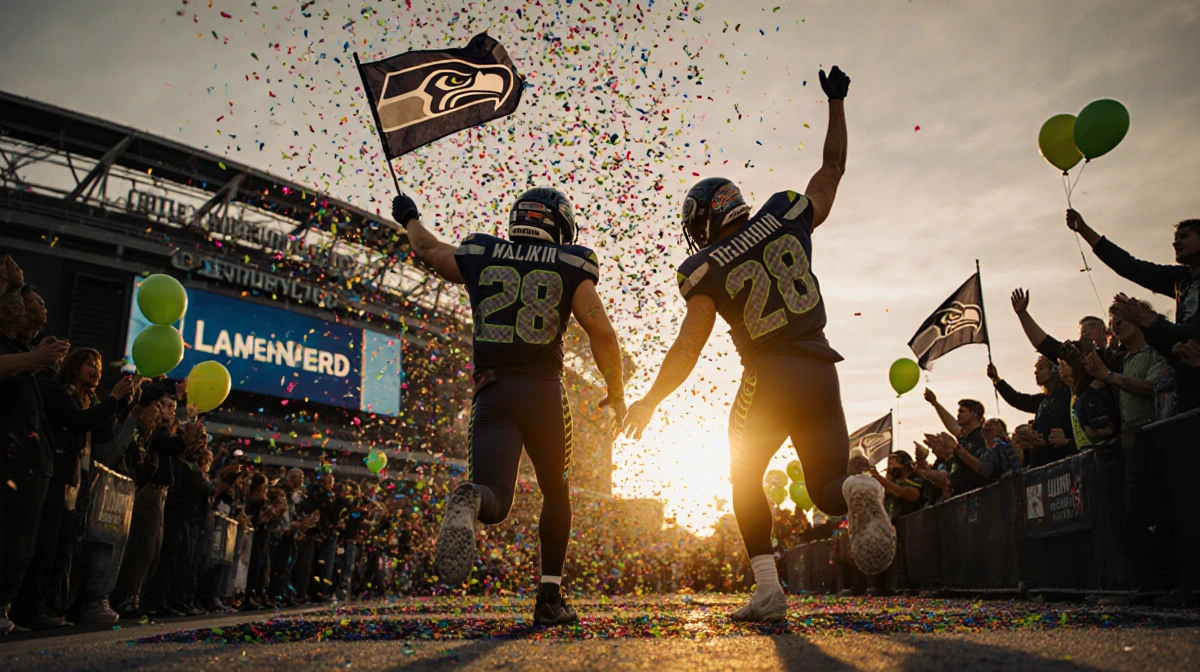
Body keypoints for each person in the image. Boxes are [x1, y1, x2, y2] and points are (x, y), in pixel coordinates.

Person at [621, 65, 894, 623]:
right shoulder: (784, 212)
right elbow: (832, 168)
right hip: (821, 366)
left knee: (742, 476)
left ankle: (768, 590)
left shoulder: (703, 265)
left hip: (768, 374)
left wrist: (650, 399)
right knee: (824, 489)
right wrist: (837, 101)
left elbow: (688, 347)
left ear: (702, 221)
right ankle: (860, 485)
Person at [393, 180, 626, 627]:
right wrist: (615, 392)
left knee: (496, 498)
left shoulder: (482, 252)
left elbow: (428, 250)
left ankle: (470, 498)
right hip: (543, 392)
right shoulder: (571, 261)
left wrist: (409, 216)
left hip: (493, 394)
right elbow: (603, 333)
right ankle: (549, 598)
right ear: (560, 226)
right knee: (555, 491)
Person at [0, 281, 69, 635]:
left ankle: (7, 607)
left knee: (26, 543)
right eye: (22, 299)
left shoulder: (23, 350)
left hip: (33, 462)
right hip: (9, 459)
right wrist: (33, 359)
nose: (27, 306)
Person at [988, 356, 1074, 467]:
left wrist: (1067, 442)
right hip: (1040, 463)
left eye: (1041, 368)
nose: (1035, 372)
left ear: (1054, 370)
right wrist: (996, 379)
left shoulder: (1068, 396)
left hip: (1062, 460)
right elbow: (1017, 399)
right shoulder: (1042, 400)